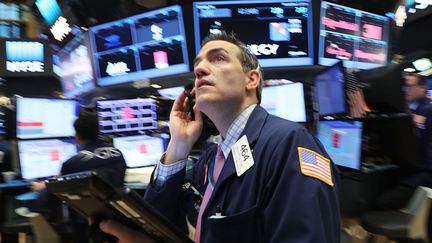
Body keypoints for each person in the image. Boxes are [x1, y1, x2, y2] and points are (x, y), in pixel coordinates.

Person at [100, 32, 341, 243]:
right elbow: (157, 225)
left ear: (251, 79)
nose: (199, 69)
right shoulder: (210, 159)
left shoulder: (289, 143)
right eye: (198, 64)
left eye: (218, 58)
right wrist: (179, 143)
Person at [31, 113, 127, 243]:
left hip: (86, 222)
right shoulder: (117, 154)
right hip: (117, 218)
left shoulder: (73, 163)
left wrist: (41, 188)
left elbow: (47, 197)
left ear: (77, 135)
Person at [376, 73, 432, 209]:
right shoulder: (409, 109)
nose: (405, 90)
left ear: (423, 88)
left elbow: (414, 140)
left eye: (409, 85)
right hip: (411, 167)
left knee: (382, 202)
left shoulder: (427, 110)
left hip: (425, 172)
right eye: (404, 86)